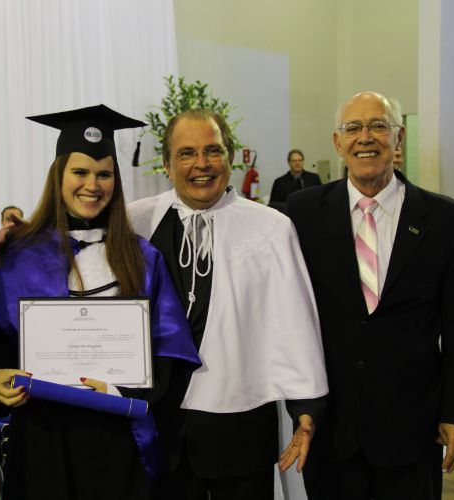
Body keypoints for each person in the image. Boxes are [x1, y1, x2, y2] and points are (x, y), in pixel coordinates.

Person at [0, 104, 200, 499]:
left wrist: (123, 394)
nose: (92, 185)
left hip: (119, 440)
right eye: (80, 172)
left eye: (104, 174)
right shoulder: (24, 256)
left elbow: (168, 354)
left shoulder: (142, 258)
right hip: (43, 439)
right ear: (59, 176)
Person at [286, 91, 454, 500]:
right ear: (337, 142)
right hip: (329, 427)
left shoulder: (448, 220)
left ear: (399, 137)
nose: (366, 137)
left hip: (412, 427)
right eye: (353, 128)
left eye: (379, 125)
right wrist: (299, 405)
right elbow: (290, 317)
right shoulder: (302, 212)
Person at [126, 109, 329, 499]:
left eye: (213, 151)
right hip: (160, 425)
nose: (201, 164)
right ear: (167, 164)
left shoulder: (272, 227)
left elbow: (294, 321)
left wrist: (305, 406)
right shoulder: (136, 222)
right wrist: (16, 239)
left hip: (240, 423)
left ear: (230, 157)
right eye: (186, 153)